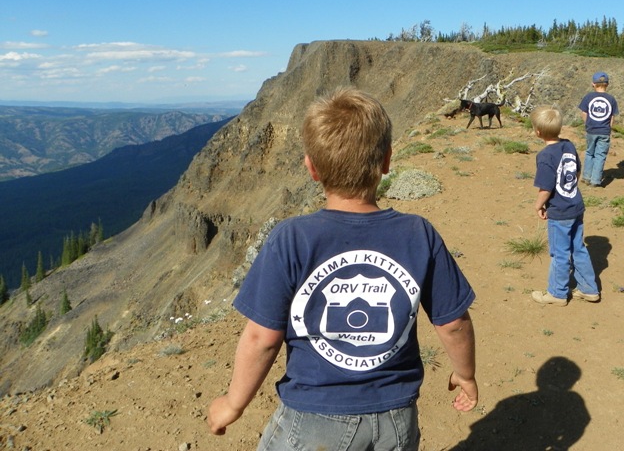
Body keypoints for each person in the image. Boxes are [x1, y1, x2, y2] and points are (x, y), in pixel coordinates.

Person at [208, 88, 478, 450]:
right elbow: (453, 321)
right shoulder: (418, 233)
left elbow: (262, 339)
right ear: (386, 161)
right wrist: (465, 373)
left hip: (313, 417)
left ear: (311, 168)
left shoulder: (292, 238)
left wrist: (233, 403)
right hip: (396, 417)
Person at [529, 106, 599, 306]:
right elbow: (576, 171)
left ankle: (557, 293)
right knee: (578, 248)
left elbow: (546, 188)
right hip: (576, 205)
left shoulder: (545, 156)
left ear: (538, 132)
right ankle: (589, 289)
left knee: (559, 253)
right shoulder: (568, 145)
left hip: (559, 212)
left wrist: (538, 205)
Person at [577, 71, 619, 187]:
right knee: (600, 155)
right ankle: (596, 181)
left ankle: (586, 177)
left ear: (593, 84)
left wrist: (588, 124)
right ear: (607, 84)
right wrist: (609, 129)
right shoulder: (611, 99)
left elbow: (584, 113)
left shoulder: (588, 97)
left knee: (590, 152)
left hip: (591, 130)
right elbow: (612, 117)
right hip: (604, 131)